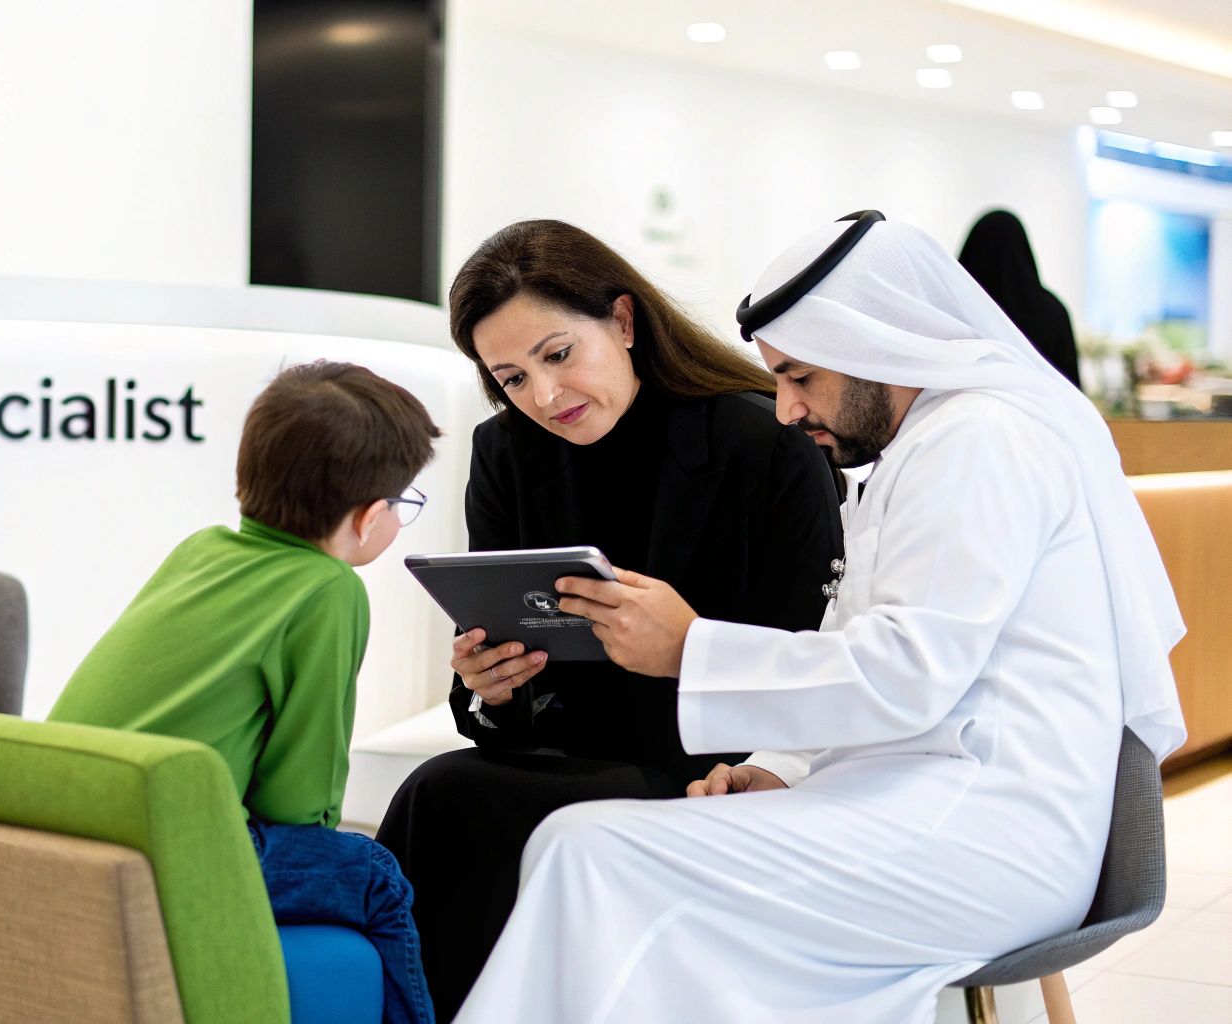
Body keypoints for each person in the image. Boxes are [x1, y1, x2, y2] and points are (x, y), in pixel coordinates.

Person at [454, 212, 1186, 1023]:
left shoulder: (980, 440)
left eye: (802, 377)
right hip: (911, 795)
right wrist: (779, 767)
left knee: (592, 853)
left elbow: (906, 672)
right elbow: (858, 651)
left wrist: (691, 648)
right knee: (579, 846)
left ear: (879, 346)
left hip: (988, 830)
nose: (786, 409)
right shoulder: (919, 449)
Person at [372, 219, 844, 1020]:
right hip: (574, 749)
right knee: (439, 790)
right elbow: (511, 684)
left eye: (558, 355)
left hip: (713, 763)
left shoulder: (763, 439)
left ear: (623, 323)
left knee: (467, 806)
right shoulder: (506, 453)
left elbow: (805, 661)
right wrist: (496, 686)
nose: (545, 397)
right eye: (512, 377)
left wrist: (686, 644)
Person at [48, 360, 442, 1024]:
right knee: (375, 872)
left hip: (72, 818)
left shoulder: (199, 549)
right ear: (369, 516)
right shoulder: (329, 589)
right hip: (173, 845)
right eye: (403, 504)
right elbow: (299, 805)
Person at [959, 208, 1081, 387]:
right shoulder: (1053, 313)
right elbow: (1071, 390)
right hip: (1040, 413)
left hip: (960, 414)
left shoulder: (954, 310)